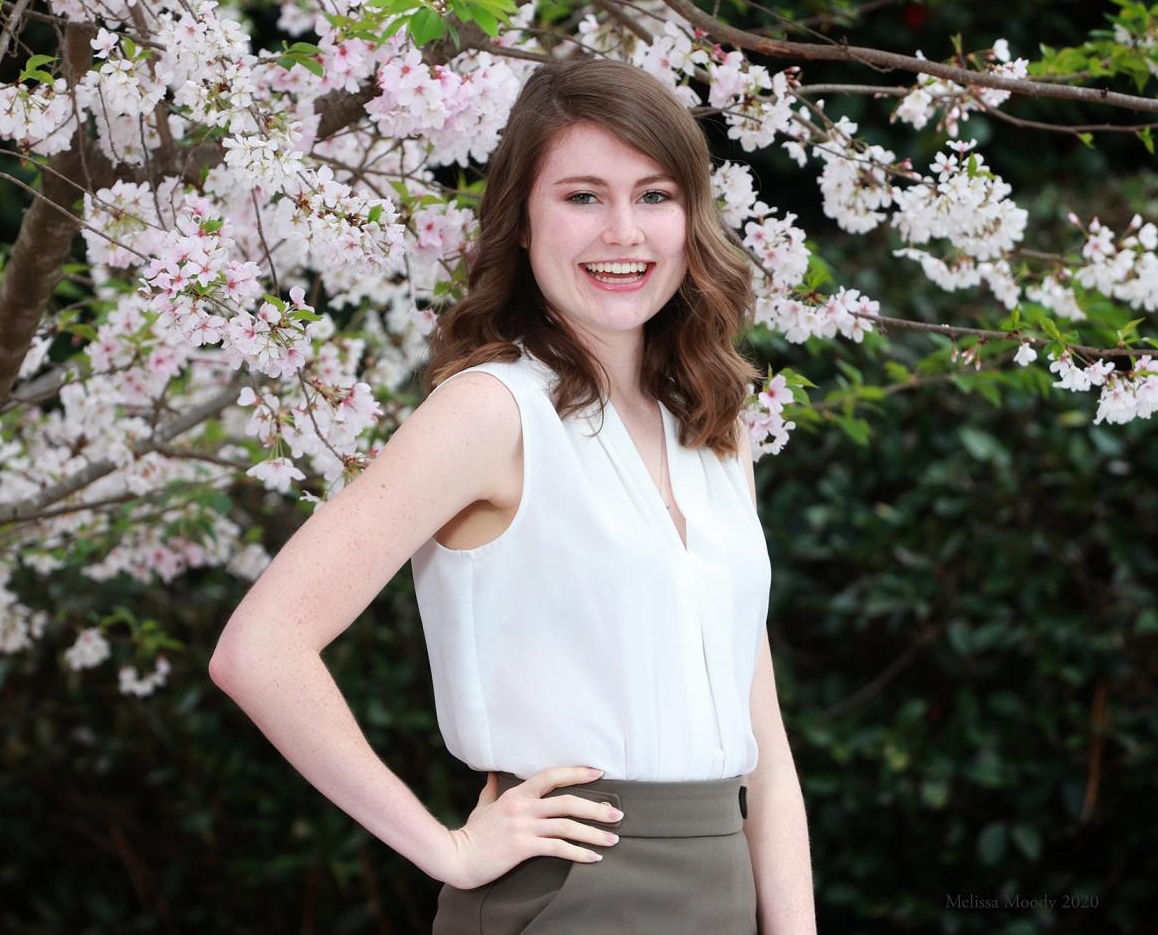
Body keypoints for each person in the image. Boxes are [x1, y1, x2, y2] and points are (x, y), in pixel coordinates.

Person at [210, 57, 817, 934]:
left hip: (721, 885)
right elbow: (260, 647)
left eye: (654, 196)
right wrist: (446, 847)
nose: (624, 232)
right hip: (573, 895)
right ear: (522, 224)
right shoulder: (489, 412)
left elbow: (764, 737)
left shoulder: (715, 426)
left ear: (692, 218)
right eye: (582, 197)